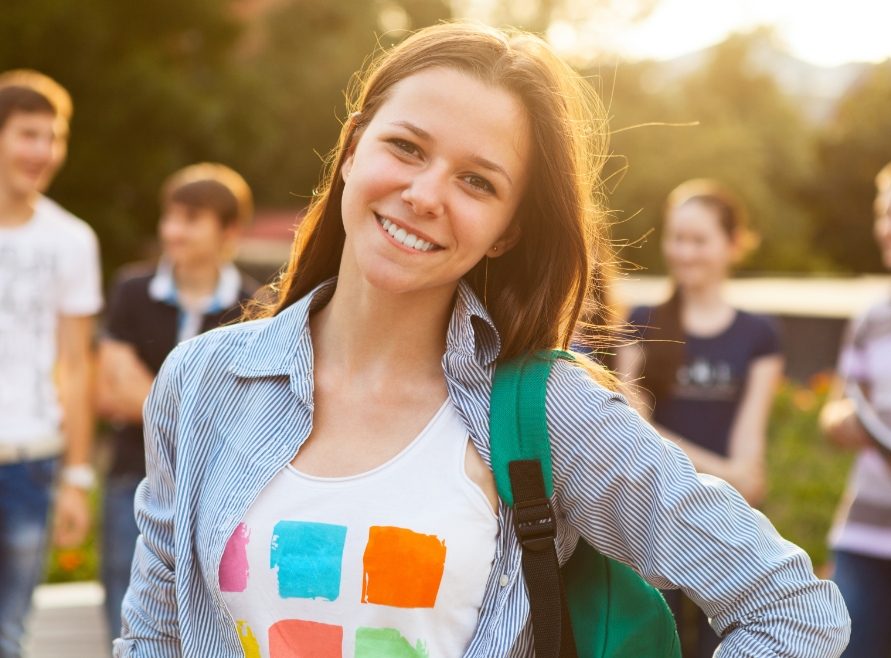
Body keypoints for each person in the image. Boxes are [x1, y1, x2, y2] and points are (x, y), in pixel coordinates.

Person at [115, 24, 848, 658]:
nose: (426, 194)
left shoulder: (547, 412)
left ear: (508, 232)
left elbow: (791, 607)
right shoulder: (203, 380)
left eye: (476, 181)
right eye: (405, 147)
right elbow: (155, 636)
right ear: (351, 147)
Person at [615, 179, 785, 657]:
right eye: (676, 238)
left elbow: (750, 446)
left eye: (699, 240)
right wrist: (728, 473)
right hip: (652, 526)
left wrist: (738, 476)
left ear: (732, 245)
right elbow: (633, 427)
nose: (684, 252)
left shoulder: (760, 334)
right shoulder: (643, 320)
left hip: (727, 530)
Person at [95, 163, 258, 639]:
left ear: (229, 230)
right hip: (132, 478)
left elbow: (246, 411)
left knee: (204, 626)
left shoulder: (256, 306)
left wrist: (151, 401)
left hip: (213, 490)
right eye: (170, 217)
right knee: (126, 624)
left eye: (190, 219)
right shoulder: (131, 290)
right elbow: (112, 390)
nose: (172, 230)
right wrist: (201, 411)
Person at [0, 71, 102, 658]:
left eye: (54, 137)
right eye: (28, 134)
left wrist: (77, 477)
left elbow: (77, 364)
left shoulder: (72, 240)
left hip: (30, 466)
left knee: (9, 634)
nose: (43, 151)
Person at [819, 162, 891, 658]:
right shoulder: (871, 317)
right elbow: (837, 406)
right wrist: (843, 420)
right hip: (864, 537)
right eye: (882, 213)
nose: (885, 227)